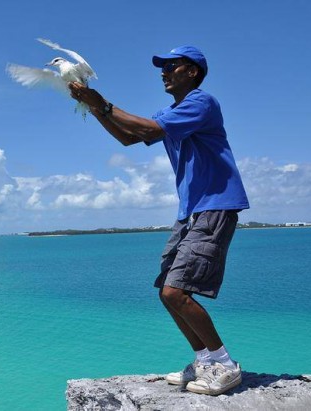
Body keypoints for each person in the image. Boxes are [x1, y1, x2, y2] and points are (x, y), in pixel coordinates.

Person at [69, 46, 250, 396]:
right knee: (167, 292)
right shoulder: (169, 113)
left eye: (171, 66)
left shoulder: (201, 103)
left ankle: (225, 365)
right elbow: (128, 136)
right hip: (191, 210)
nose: (163, 72)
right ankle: (204, 360)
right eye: (162, 67)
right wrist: (94, 106)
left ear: (192, 72)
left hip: (215, 206)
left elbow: (147, 129)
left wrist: (102, 102)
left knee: (175, 291)